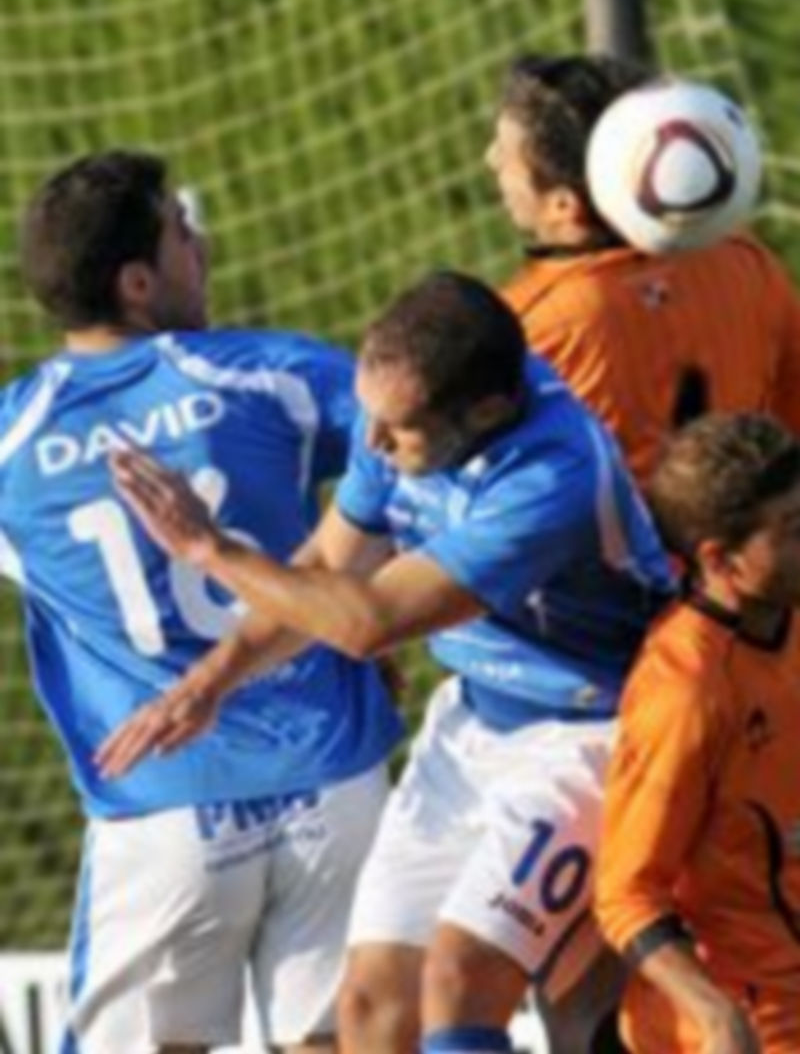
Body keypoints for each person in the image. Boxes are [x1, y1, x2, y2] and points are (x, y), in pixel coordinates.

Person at [97, 270, 674, 1054]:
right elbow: (325, 572)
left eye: (396, 430)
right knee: (372, 1006)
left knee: (463, 981)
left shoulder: (553, 475)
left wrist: (212, 549)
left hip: (594, 736)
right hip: (471, 725)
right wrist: (208, 682)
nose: (369, 445)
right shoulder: (400, 415)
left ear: (488, 411)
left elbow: (370, 621)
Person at [1, 150, 401, 1054]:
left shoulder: (13, 443)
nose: (203, 244)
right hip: (331, 779)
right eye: (182, 232)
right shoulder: (271, 373)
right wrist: (376, 606)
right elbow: (412, 444)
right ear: (138, 281)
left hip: (165, 813)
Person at [486, 54, 800, 485]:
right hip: (749, 544)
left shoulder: (522, 331)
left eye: (505, 154)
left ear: (565, 206)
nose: (491, 161)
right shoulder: (748, 260)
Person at [595, 412, 800, 1054]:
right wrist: (714, 1016)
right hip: (755, 1024)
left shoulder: (787, 617)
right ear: (721, 558)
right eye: (793, 529)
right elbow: (625, 894)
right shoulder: (685, 697)